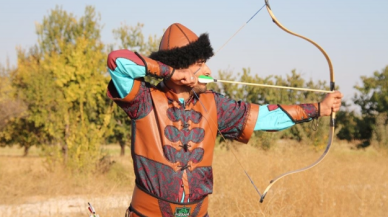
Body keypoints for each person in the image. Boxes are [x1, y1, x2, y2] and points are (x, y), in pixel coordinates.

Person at [106, 23, 343, 217]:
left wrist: (318, 108)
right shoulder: (143, 99)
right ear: (179, 67)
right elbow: (117, 61)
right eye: (199, 63)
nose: (207, 68)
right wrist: (170, 72)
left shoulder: (214, 105)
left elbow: (265, 117)